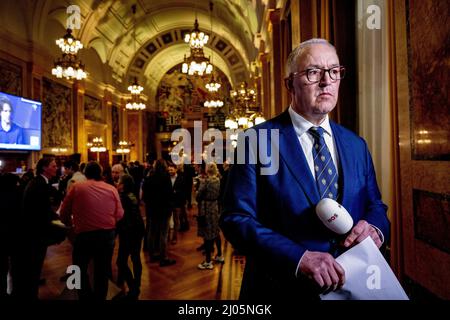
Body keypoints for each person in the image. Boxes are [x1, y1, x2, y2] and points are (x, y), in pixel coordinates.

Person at [220, 38, 390, 300]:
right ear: (290, 84)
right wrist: (299, 258)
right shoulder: (255, 141)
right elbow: (236, 219)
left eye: (334, 71)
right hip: (281, 289)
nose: (326, 81)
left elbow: (376, 205)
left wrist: (375, 229)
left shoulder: (356, 144)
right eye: (313, 72)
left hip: (354, 287)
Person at [60, 161, 124, 300]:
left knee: (79, 269)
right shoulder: (111, 189)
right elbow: (119, 214)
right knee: (102, 270)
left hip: (84, 236)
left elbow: (64, 212)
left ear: (85, 174)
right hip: (107, 235)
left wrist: (71, 224)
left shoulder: (77, 187)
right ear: (101, 174)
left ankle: (85, 297)